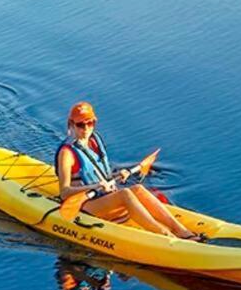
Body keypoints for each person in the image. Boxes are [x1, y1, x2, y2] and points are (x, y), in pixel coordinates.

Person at [55, 101, 199, 239]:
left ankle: (181, 231)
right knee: (125, 194)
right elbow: (64, 192)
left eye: (90, 123)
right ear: (72, 125)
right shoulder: (67, 153)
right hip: (85, 203)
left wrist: (118, 174)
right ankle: (165, 236)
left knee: (138, 189)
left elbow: (97, 173)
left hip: (102, 195)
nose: (86, 128)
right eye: (80, 124)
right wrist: (97, 185)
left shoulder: (93, 141)